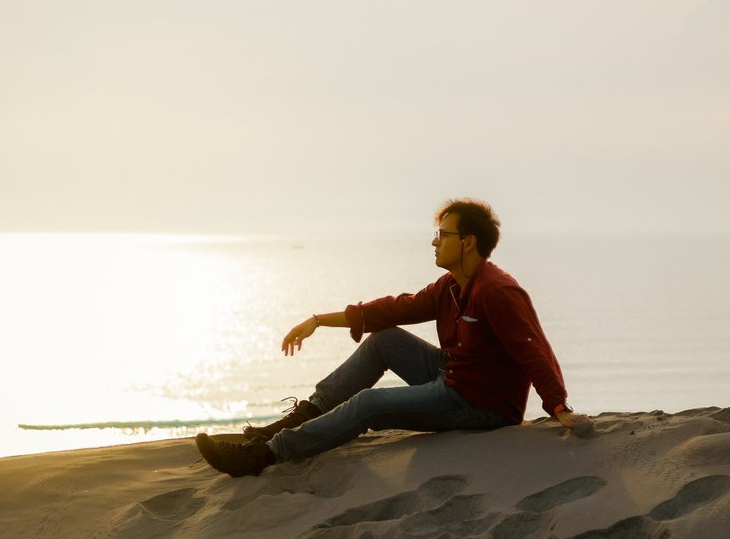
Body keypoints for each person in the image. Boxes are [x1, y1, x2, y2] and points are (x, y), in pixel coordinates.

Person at [195, 199, 588, 477]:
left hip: (480, 405)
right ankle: (290, 424)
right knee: (384, 339)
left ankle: (264, 455)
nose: (434, 241)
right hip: (453, 377)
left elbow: (532, 348)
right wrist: (317, 320)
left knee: (370, 403)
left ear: (467, 242)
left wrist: (558, 405)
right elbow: (393, 309)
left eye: (442, 234)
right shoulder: (450, 286)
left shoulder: (497, 291)